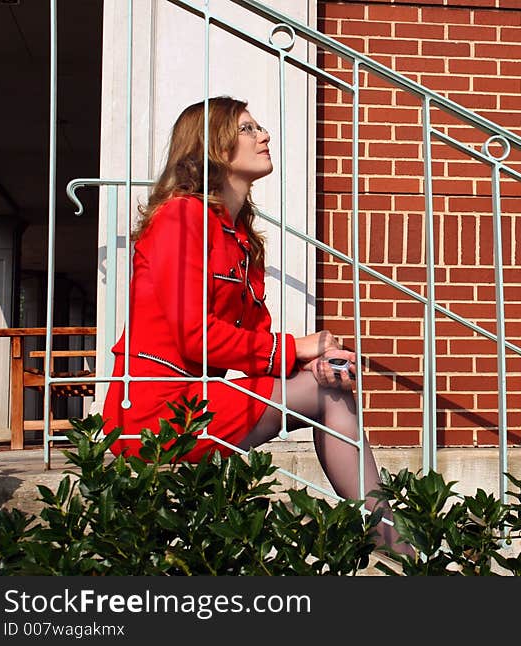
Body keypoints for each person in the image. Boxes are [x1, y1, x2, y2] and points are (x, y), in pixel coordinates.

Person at [102, 96, 406, 554]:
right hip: (155, 414)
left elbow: (253, 345)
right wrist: (296, 350)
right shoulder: (182, 218)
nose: (263, 135)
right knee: (327, 394)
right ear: (213, 147)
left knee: (328, 382)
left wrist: (312, 361)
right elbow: (195, 336)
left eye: (259, 126)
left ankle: (388, 535)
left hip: (200, 404)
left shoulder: (238, 236)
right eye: (247, 129)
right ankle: (395, 539)